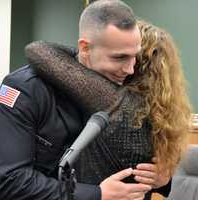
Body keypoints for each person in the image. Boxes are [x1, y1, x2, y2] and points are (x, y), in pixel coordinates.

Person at [24, 1, 191, 200]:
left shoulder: (118, 103)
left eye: (131, 56)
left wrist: (91, 48)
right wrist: (165, 181)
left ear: (139, 64)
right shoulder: (156, 112)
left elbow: (39, 50)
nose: (128, 66)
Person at [0, 1, 156, 200]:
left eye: (135, 57)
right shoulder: (26, 88)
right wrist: (96, 194)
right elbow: (9, 181)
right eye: (119, 58)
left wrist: (162, 179)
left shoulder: (130, 82)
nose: (129, 69)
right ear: (85, 48)